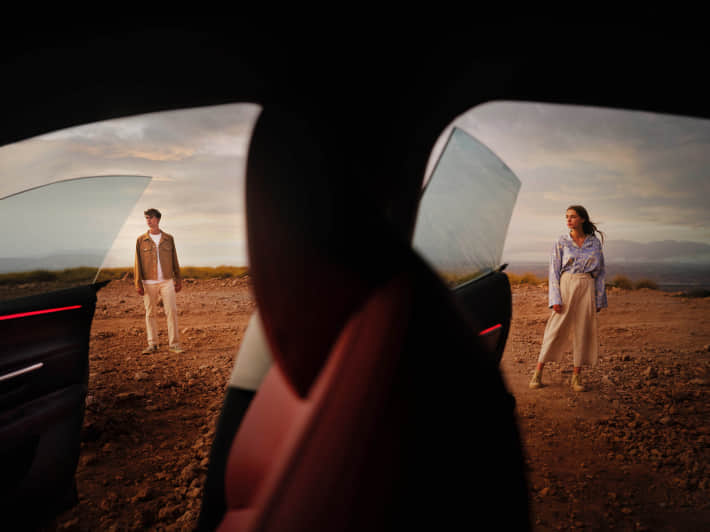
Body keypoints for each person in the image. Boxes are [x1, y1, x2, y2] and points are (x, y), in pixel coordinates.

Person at [529, 205, 607, 392]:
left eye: (573, 216)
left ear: (582, 219)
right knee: (555, 328)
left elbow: (601, 272)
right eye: (567, 217)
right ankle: (538, 372)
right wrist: (555, 298)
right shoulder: (561, 241)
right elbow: (553, 271)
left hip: (587, 285)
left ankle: (576, 377)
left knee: (583, 329)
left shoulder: (594, 243)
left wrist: (599, 298)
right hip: (566, 284)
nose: (569, 220)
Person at [134, 208, 184, 354]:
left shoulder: (168, 238)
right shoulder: (141, 240)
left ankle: (174, 345)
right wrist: (138, 283)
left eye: (150, 217)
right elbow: (137, 262)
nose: (148, 220)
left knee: (171, 312)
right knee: (150, 313)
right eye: (146, 218)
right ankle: (153, 344)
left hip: (167, 281)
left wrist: (178, 279)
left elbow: (174, 259)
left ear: (158, 219)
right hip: (148, 282)